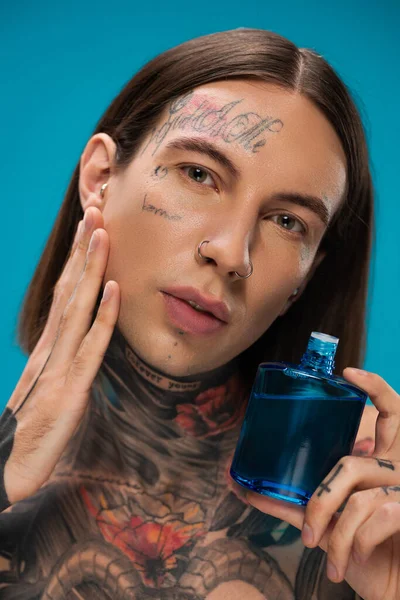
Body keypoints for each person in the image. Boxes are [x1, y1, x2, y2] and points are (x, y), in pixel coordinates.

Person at [0, 27, 398, 600]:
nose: (233, 253)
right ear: (100, 179)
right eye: (199, 174)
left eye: (288, 222)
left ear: (305, 276)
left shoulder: (347, 550)